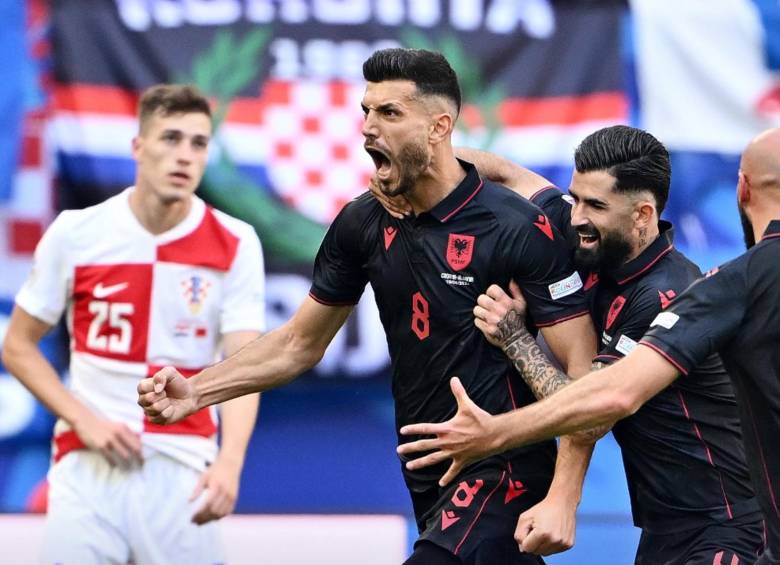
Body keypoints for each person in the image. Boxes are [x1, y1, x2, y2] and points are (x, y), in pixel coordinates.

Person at [138, 48, 597, 565]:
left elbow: (585, 376)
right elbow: (297, 344)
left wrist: (564, 495)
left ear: (439, 127)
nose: (367, 128)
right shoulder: (362, 222)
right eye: (366, 112)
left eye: (390, 113)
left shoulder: (516, 227)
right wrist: (194, 390)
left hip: (503, 467)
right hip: (427, 475)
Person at [395, 127, 780, 564]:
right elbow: (502, 173)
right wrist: (412, 171)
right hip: (661, 530)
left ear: (642, 215)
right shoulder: (586, 231)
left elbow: (593, 412)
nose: (576, 216)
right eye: (576, 197)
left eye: (595, 205)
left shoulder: (662, 294)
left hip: (726, 526)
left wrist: (516, 340)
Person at [1, 84, 265, 565]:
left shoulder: (235, 241)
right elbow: (17, 346)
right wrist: (85, 419)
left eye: (198, 143)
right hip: (87, 465)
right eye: (170, 138)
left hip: (184, 468)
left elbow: (244, 367)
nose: (184, 155)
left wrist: (231, 462)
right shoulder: (76, 233)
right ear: (138, 148)